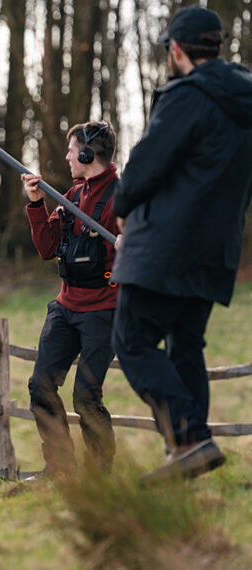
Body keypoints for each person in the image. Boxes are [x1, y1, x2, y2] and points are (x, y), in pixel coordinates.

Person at [111, 6, 252, 483]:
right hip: (216, 250)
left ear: (176, 50)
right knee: (186, 344)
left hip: (165, 247)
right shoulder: (244, 102)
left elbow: (146, 165)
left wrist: (122, 205)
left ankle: (190, 438)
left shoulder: (187, 96)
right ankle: (188, 451)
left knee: (131, 340)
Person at [21, 120, 121, 476]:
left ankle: (99, 478)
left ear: (88, 154)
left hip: (104, 312)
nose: (67, 157)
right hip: (65, 308)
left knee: (86, 398)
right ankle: (61, 469)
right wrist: (37, 205)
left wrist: (134, 242)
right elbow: (47, 248)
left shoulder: (122, 199)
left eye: (72, 150)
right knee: (40, 387)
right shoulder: (72, 196)